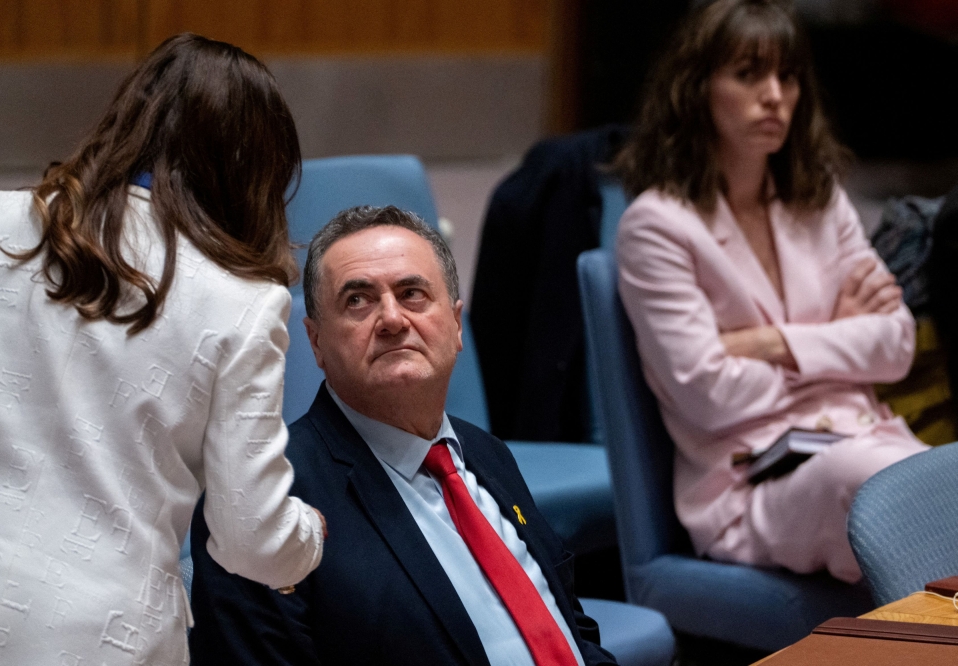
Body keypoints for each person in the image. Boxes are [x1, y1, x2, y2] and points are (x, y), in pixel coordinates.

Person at [0, 34, 324, 664]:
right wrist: (310, 533)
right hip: (102, 634)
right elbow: (253, 541)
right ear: (255, 173)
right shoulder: (243, 303)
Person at [188, 205, 619, 666]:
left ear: (456, 325)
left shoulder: (487, 455)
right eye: (358, 301)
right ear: (315, 342)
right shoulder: (259, 502)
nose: (392, 319)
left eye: (412, 293)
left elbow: (572, 629)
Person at [611, 0, 927, 583]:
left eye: (788, 76)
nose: (775, 95)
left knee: (924, 485)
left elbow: (896, 344)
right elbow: (709, 396)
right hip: (750, 482)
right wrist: (838, 339)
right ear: (697, 89)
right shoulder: (657, 226)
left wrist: (766, 343)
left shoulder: (818, 198)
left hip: (862, 437)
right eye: (748, 74)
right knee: (880, 485)